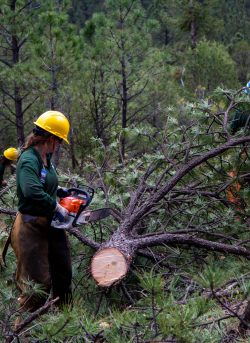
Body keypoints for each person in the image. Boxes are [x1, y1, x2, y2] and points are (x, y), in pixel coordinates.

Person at [10, 110, 72, 312]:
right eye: (60, 140)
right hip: (31, 226)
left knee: (63, 273)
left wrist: (59, 191)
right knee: (36, 285)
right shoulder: (29, 159)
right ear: (51, 138)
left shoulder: (46, 157)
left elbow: (43, 181)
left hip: (50, 224)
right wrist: (55, 205)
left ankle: (65, 322)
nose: (60, 145)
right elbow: (31, 190)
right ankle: (23, 331)